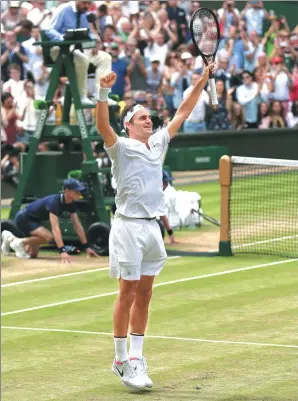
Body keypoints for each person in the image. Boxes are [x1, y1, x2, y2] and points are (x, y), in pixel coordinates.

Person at [96, 63, 214, 391]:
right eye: (142, 118)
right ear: (129, 126)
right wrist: (103, 92)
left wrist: (203, 78)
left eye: (149, 117)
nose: (149, 120)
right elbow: (102, 124)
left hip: (152, 229)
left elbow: (184, 109)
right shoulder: (118, 147)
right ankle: (121, 360)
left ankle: (136, 358)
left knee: (145, 294)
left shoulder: (159, 143)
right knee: (127, 292)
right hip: (127, 228)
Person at [1, 178, 99, 261]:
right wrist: (62, 250)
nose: (79, 193)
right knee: (49, 237)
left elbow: (77, 225)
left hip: (34, 220)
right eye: (76, 191)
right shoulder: (54, 202)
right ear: (67, 191)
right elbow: (55, 228)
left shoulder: (71, 204)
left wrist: (86, 247)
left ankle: (10, 238)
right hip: (23, 218)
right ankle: (19, 242)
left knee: (32, 255)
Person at [45, 0, 111, 105]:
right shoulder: (64, 9)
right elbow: (48, 29)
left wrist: (94, 42)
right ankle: (81, 95)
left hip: (78, 50)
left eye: (89, 4)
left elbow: (88, 33)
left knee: (105, 57)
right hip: (59, 51)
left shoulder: (85, 13)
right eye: (84, 3)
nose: (86, 6)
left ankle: (101, 95)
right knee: (82, 59)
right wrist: (62, 38)